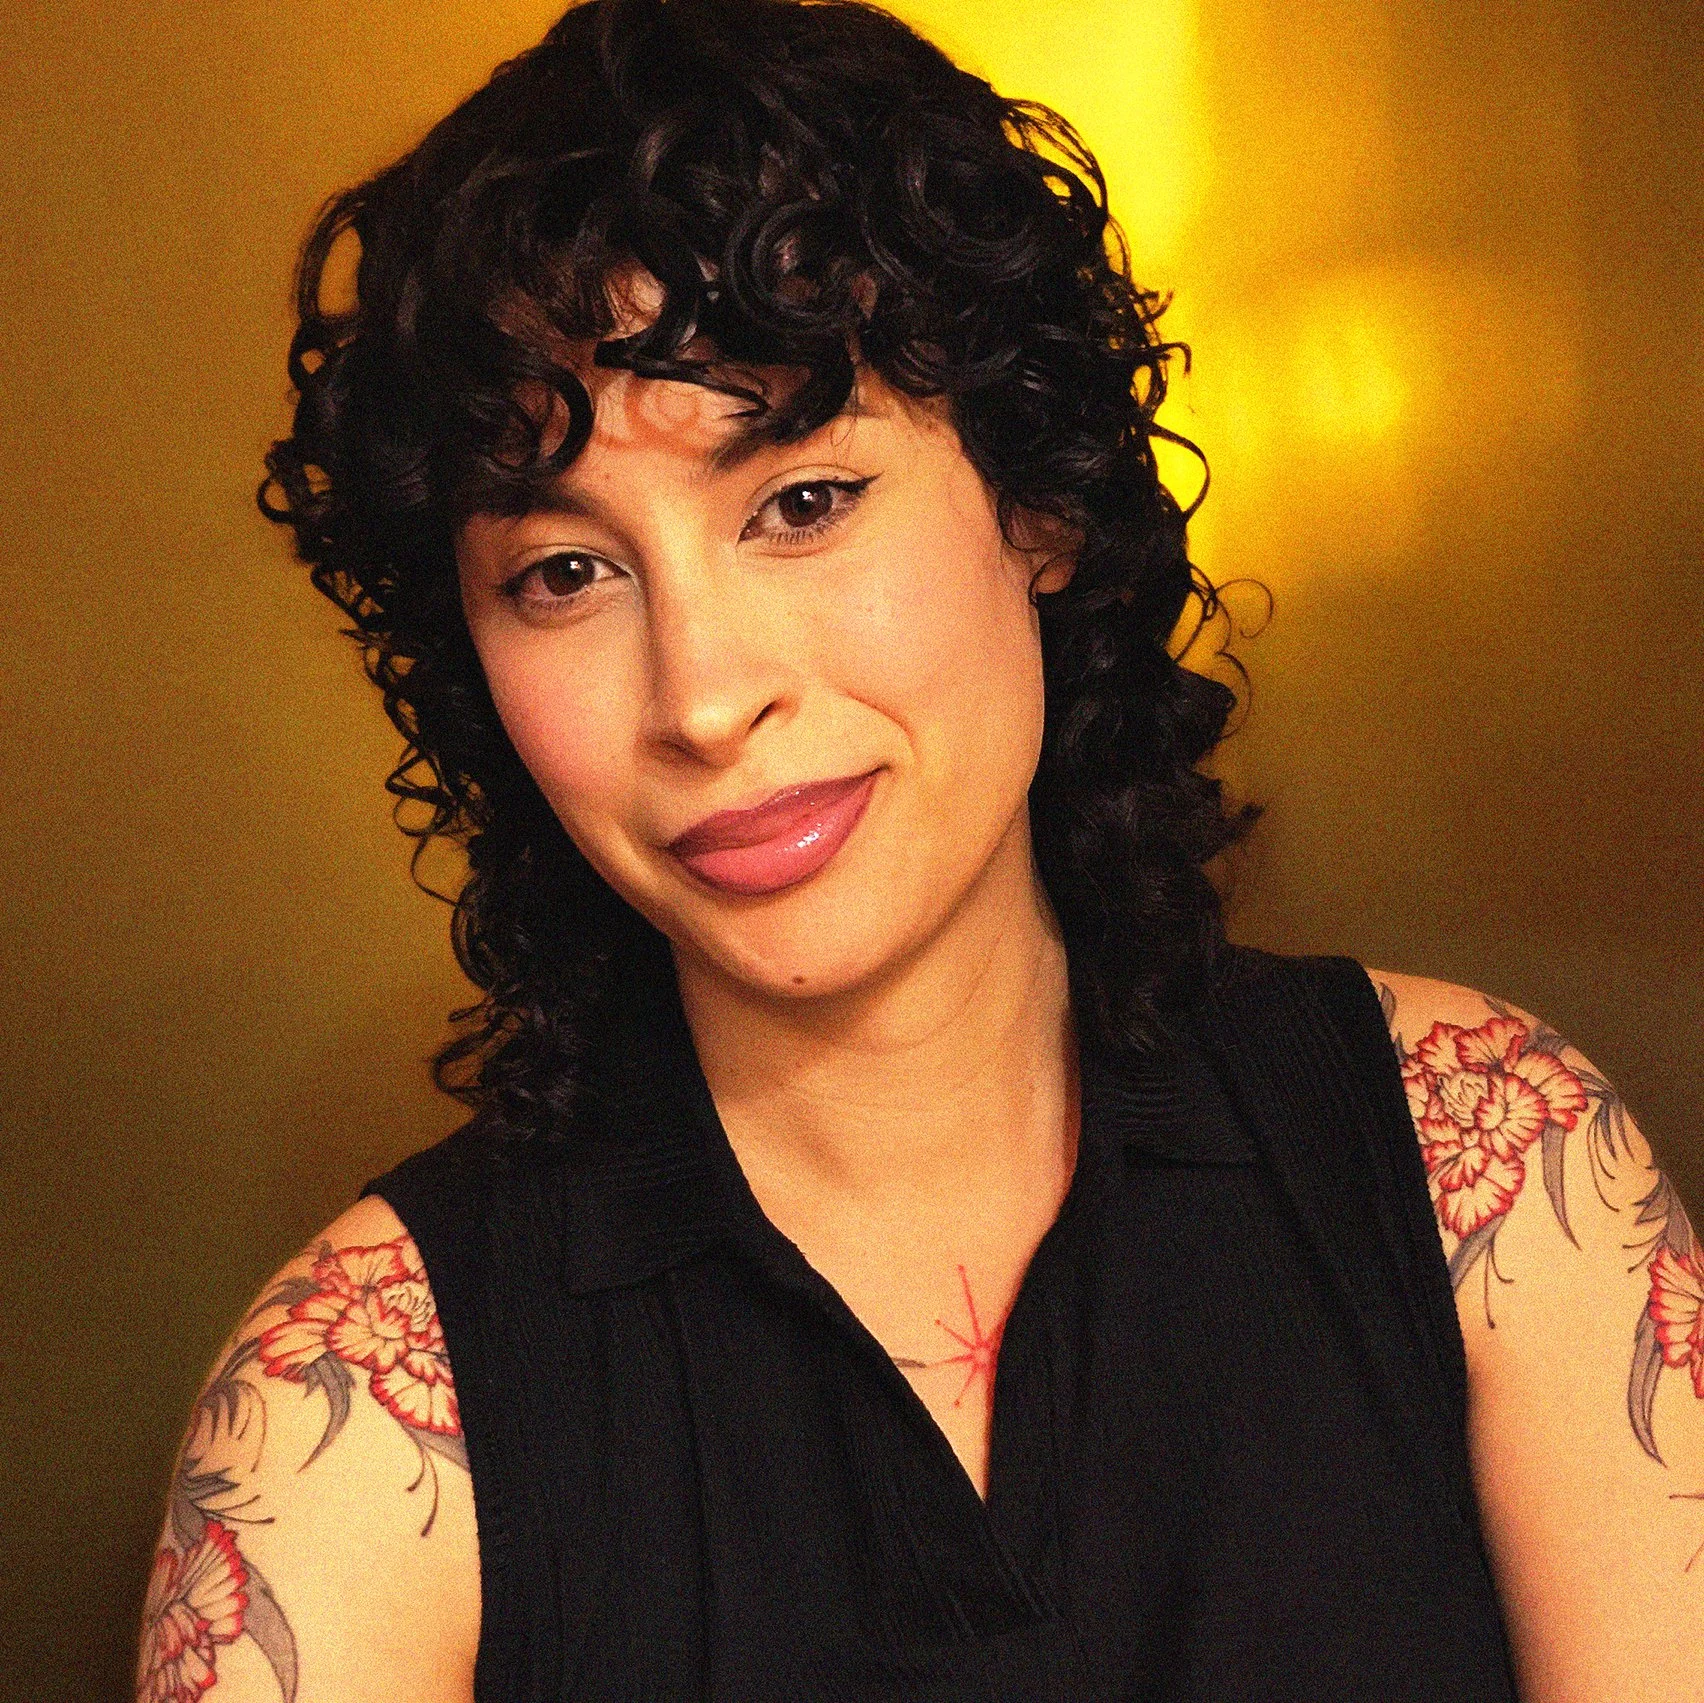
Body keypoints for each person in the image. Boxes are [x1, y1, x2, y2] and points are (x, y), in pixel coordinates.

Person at [137, 0, 1702, 1697]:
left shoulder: (1494, 1168)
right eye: (566, 573)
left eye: (801, 502)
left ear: (1039, 498)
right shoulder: (347, 1424)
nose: (704, 696)